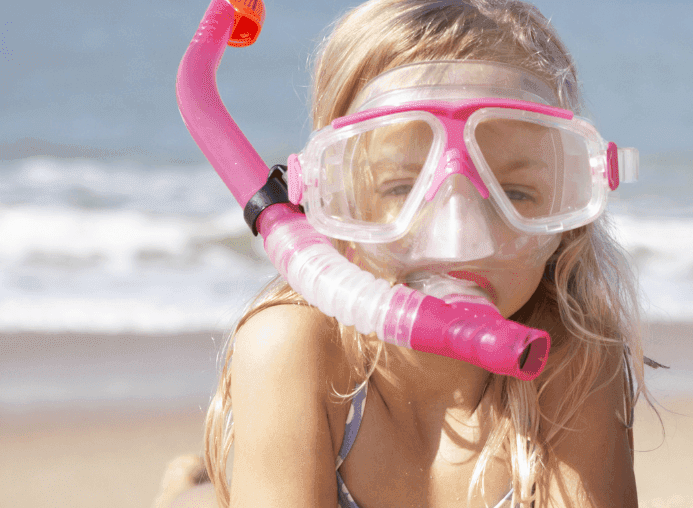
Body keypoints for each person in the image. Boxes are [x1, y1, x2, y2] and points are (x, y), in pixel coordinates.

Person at [154, 0, 643, 506]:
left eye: (515, 193)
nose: (461, 239)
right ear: (331, 196)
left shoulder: (569, 357)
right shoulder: (294, 348)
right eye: (401, 187)